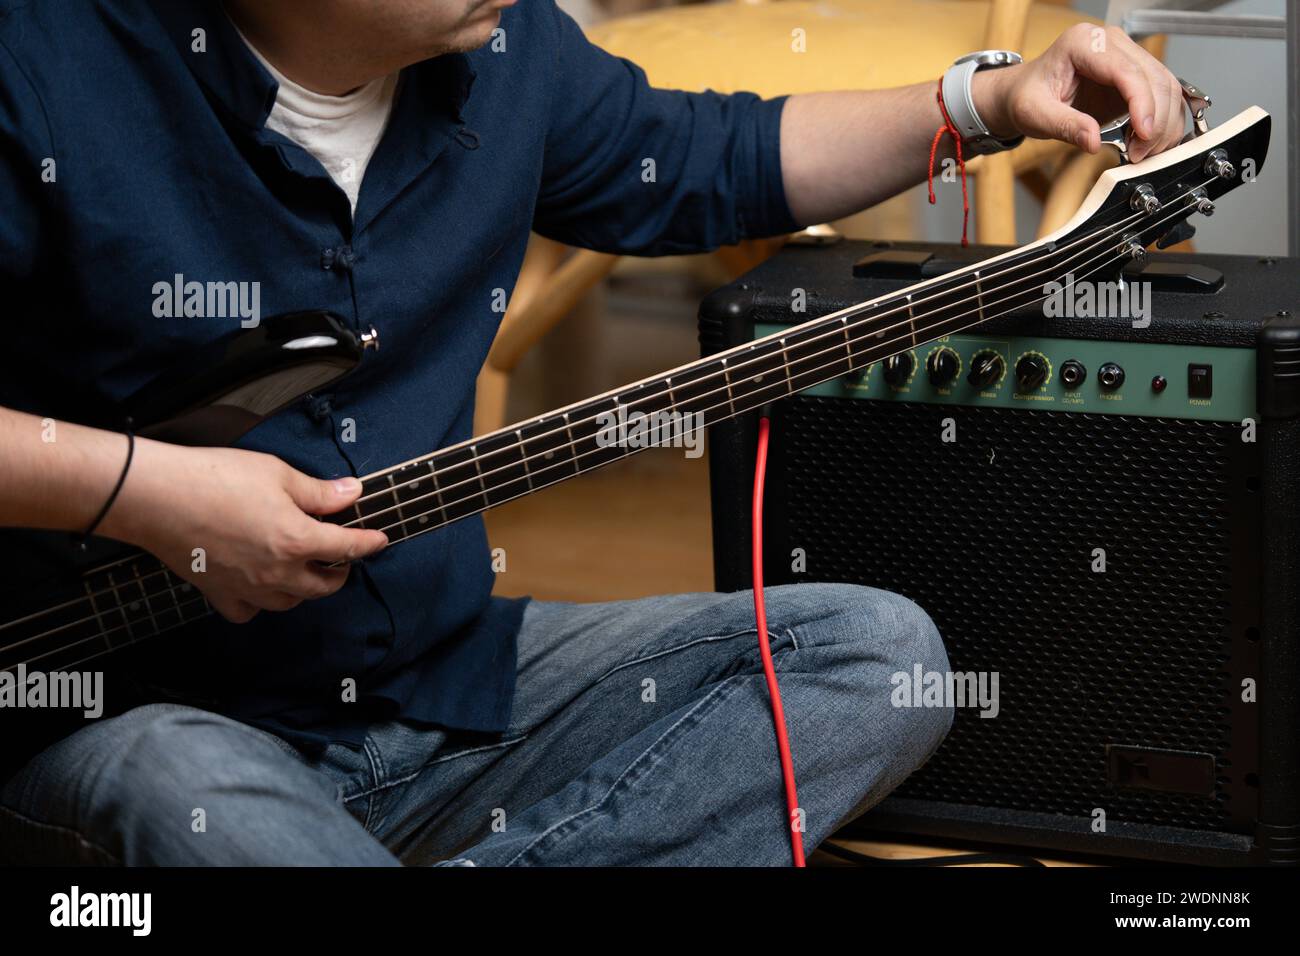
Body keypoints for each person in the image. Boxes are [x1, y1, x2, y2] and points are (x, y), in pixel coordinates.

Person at [0, 0, 1189, 865]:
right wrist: (144, 491)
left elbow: (719, 159)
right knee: (178, 783)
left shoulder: (509, 51)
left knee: (877, 653)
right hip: (133, 721)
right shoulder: (42, 61)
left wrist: (985, 99)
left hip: (444, 691)